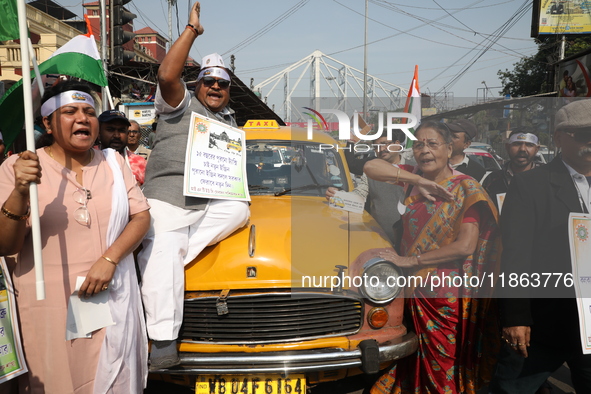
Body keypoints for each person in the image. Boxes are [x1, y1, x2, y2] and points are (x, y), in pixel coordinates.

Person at [0, 80, 150, 393]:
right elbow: (6, 245)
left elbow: (141, 216)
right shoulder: (18, 166)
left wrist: (109, 260)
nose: (83, 118)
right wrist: (19, 191)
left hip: (107, 298)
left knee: (108, 378)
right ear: (48, 123)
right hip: (45, 307)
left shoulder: (114, 163)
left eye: (89, 112)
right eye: (70, 111)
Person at [138, 1, 250, 370]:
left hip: (207, 202)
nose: (216, 87)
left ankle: (160, 265)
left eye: (222, 84)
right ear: (198, 85)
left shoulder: (231, 123)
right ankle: (164, 340)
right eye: (210, 82)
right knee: (166, 241)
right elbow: (168, 76)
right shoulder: (179, 104)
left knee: (239, 209)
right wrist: (191, 31)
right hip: (169, 199)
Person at [366, 121, 501, 394]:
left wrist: (412, 262)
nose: (424, 150)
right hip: (410, 291)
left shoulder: (466, 189)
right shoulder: (411, 179)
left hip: (444, 295)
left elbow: (465, 245)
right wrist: (419, 180)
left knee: (443, 363)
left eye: (432, 144)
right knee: (413, 359)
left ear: (450, 149)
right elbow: (370, 167)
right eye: (418, 145)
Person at [489, 99, 591, 393]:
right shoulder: (530, 185)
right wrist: (516, 318)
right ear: (559, 138)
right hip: (545, 323)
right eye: (584, 134)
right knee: (512, 389)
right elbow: (516, 256)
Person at [326, 130, 407, 245]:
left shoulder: (415, 169)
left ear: (397, 144)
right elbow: (359, 195)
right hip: (381, 240)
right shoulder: (371, 172)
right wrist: (338, 195)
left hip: (412, 240)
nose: (381, 149)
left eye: (385, 143)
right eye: (377, 146)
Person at [482, 129, 541, 211]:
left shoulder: (545, 179)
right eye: (517, 144)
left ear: (536, 149)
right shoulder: (493, 180)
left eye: (529, 145)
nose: (522, 149)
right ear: (507, 147)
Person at [98, 109, 147, 185]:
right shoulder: (88, 159)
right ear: (99, 132)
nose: (117, 135)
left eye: (121, 130)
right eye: (110, 130)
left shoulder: (140, 162)